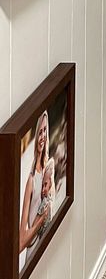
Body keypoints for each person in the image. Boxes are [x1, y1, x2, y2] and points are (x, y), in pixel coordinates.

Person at [19, 111, 51, 261]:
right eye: (39, 132)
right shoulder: (31, 181)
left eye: (45, 131)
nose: (42, 136)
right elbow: (20, 243)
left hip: (48, 243)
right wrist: (40, 221)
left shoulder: (48, 170)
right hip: (33, 251)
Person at [34, 158, 55, 240]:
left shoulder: (47, 202)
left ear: (51, 182)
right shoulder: (46, 201)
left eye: (45, 185)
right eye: (42, 186)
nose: (43, 190)